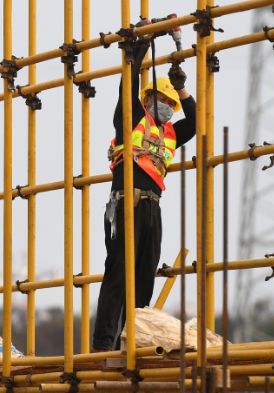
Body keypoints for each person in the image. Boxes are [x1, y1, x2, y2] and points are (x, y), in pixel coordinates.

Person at [92, 40, 196, 352]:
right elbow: (127, 91)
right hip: (126, 201)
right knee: (119, 270)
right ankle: (102, 342)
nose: (166, 106)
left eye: (170, 102)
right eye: (160, 99)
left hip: (153, 208)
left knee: (144, 276)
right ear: (147, 98)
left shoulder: (170, 134)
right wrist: (135, 56)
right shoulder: (133, 119)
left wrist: (181, 88)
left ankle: (131, 340)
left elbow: (195, 120)